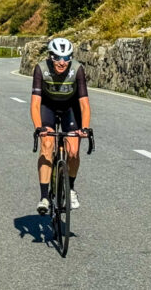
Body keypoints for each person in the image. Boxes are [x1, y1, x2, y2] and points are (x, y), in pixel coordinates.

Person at [31, 37, 91, 214]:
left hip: (70, 109)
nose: (62, 62)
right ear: (50, 57)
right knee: (47, 144)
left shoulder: (77, 69)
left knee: (72, 151)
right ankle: (44, 197)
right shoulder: (41, 69)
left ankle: (70, 189)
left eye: (67, 58)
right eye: (58, 57)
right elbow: (35, 104)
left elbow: (84, 104)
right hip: (48, 108)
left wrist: (85, 128)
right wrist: (38, 128)